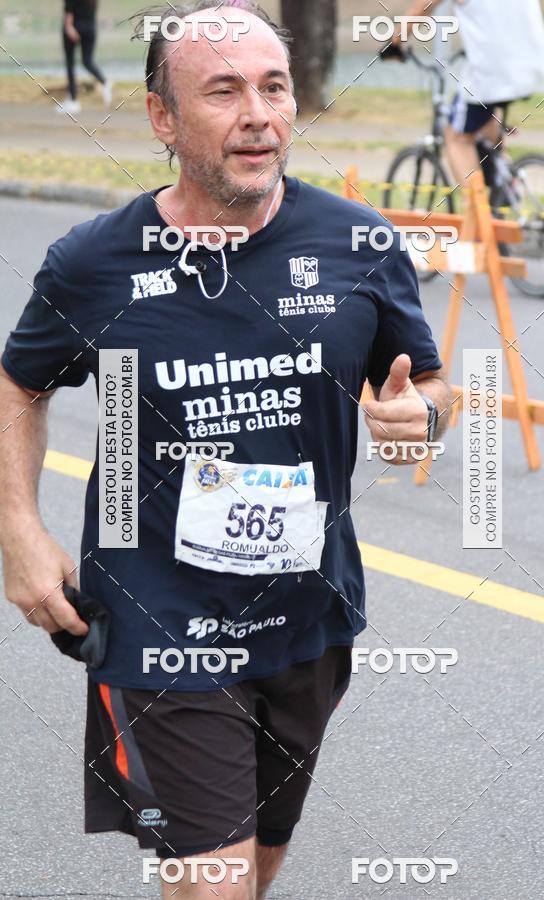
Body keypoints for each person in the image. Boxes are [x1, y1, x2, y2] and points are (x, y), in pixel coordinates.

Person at [0, 2, 451, 897]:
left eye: (274, 86)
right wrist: (20, 530)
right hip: (158, 620)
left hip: (308, 615)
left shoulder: (358, 243)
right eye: (225, 90)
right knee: (215, 883)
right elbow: (20, 384)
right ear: (163, 118)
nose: (259, 113)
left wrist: (423, 418)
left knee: (258, 866)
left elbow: (432, 384)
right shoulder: (95, 263)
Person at [391, 0, 544, 185]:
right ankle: (503, 189)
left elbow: (422, 8)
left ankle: (476, 209)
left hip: (493, 72)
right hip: (533, 65)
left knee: (456, 138)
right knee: (486, 118)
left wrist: (394, 43)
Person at [60, 0, 112, 114]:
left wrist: (69, 27)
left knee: (70, 64)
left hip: (74, 27)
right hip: (90, 28)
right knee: (87, 61)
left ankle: (73, 101)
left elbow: (69, 11)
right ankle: (104, 81)